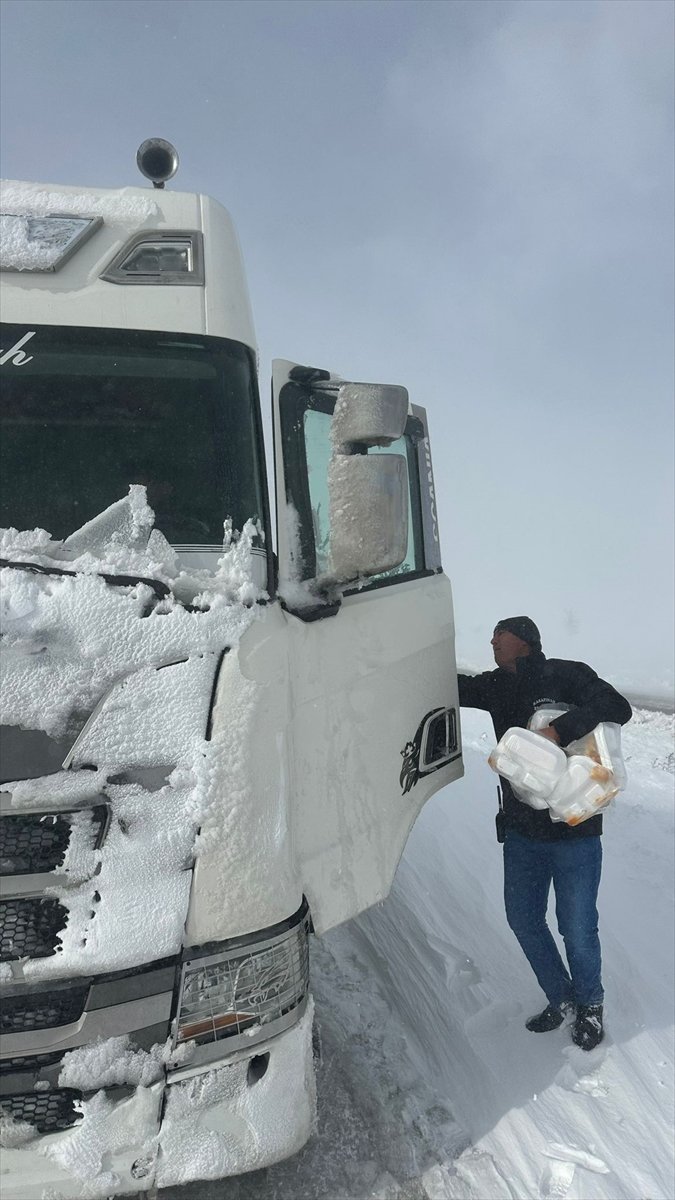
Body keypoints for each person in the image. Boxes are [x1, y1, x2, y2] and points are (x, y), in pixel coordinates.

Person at [458, 616, 632, 1051]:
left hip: (575, 831)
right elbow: (450, 686)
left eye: (501, 633)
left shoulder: (568, 674)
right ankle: (563, 999)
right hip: (522, 834)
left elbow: (617, 706)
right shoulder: (495, 685)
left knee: (576, 926)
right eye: (493, 635)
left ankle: (590, 1005)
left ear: (526, 641)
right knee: (524, 920)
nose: (493, 640)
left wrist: (561, 729)